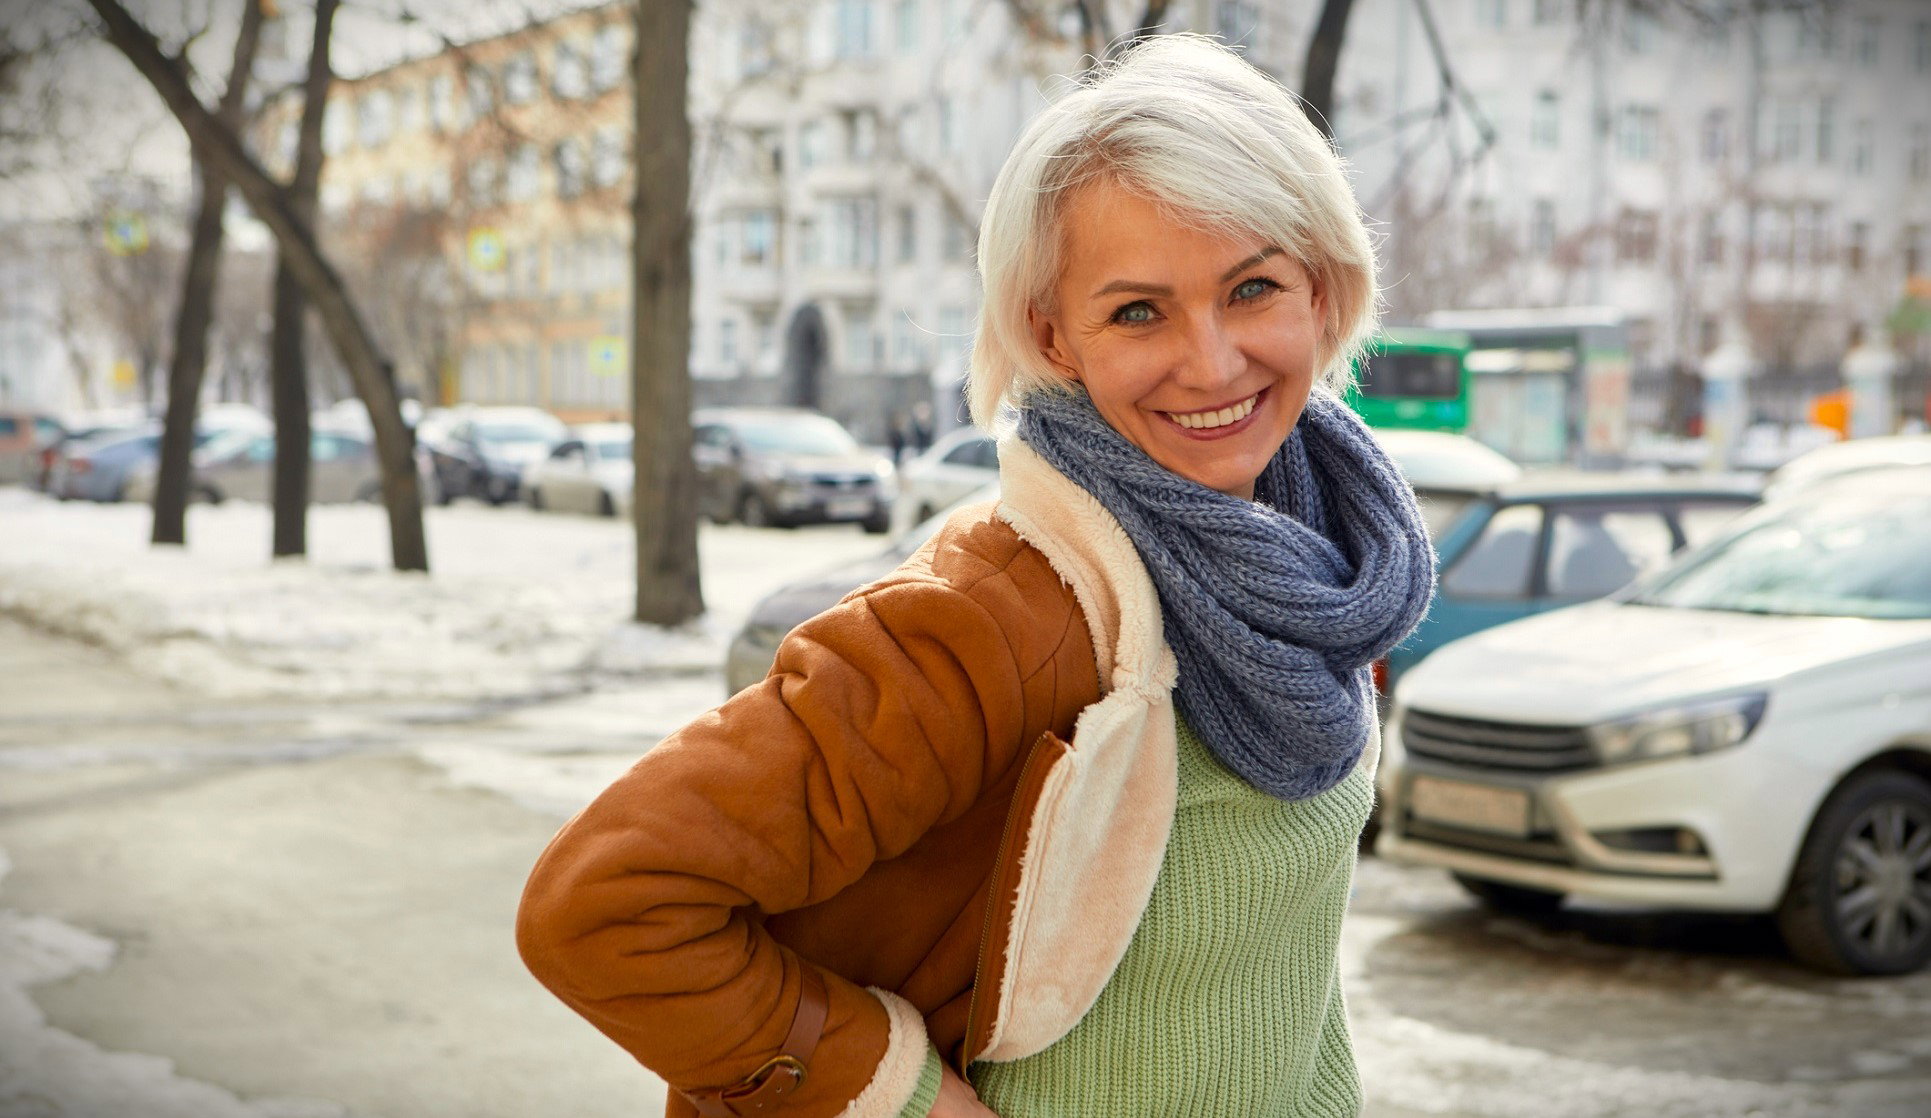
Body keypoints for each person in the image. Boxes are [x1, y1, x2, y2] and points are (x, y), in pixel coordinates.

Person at [517, 33, 1434, 1118]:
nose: (1211, 359)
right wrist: (903, 1096)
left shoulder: (1323, 560)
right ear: (1053, 334)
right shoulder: (990, 616)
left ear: (1322, 292)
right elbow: (598, 903)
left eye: (1251, 287)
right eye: (1136, 309)